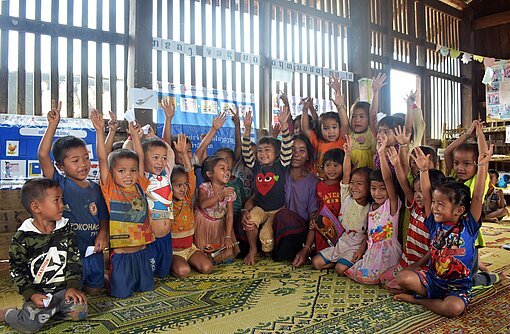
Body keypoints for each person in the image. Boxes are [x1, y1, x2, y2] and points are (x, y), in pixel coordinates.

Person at [393, 142, 494, 317]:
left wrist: (483, 166)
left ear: (459, 210)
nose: (434, 208)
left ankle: (419, 300)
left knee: (453, 309)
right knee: (402, 278)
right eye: (434, 203)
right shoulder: (434, 223)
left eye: (440, 204)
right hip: (433, 280)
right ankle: (432, 296)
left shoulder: (468, 225)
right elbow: (425, 194)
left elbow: (477, 196)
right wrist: (424, 171)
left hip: (458, 287)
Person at [38, 100, 108, 295]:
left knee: (95, 291)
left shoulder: (95, 188)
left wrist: (103, 234)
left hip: (93, 252)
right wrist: (52, 125)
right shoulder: (60, 184)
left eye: (86, 158)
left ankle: (101, 277)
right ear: (61, 166)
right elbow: (43, 155)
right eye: (75, 160)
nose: (83, 164)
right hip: (69, 255)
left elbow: (103, 216)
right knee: (71, 293)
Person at [0, 178, 87, 332]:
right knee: (30, 326)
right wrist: (31, 294)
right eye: (56, 200)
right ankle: (8, 314)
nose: (62, 205)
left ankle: (48, 312)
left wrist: (72, 287)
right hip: (38, 295)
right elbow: (17, 271)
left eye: (62, 199)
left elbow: (74, 262)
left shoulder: (66, 229)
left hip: (62, 292)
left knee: (80, 312)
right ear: (36, 207)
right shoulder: (22, 238)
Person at [92, 111, 155, 298]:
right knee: (121, 294)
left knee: (146, 290)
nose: (128, 175)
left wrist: (135, 136)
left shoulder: (140, 185)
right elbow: (103, 159)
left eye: (133, 171)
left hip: (142, 253)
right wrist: (99, 131)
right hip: (121, 255)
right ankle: (105, 277)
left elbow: (141, 158)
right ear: (112, 173)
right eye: (121, 171)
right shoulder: (110, 188)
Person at [379, 146, 446, 288]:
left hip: (423, 266)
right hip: (407, 261)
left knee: (393, 286)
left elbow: (427, 195)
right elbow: (404, 184)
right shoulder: (415, 205)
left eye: (422, 191)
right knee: (382, 279)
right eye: (416, 191)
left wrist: (424, 171)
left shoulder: (432, 215)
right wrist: (396, 163)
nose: (418, 195)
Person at [344, 133, 402, 284]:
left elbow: (388, 178)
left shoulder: (392, 205)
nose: (377, 193)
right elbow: (369, 235)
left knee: (370, 279)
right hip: (372, 251)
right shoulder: (372, 207)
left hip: (387, 253)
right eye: (373, 188)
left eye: (382, 189)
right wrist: (362, 250)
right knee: (349, 272)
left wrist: (382, 154)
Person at [312, 135, 371, 275]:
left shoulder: (370, 207)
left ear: (369, 187)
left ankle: (341, 264)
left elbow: (368, 234)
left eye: (360, 184)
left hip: (355, 246)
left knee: (340, 269)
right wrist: (348, 154)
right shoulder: (347, 197)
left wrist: (361, 250)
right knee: (316, 262)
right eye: (352, 182)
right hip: (340, 243)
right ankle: (337, 262)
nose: (354, 187)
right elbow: (346, 175)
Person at [241, 108, 293, 265]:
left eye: (267, 150)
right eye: (260, 151)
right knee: (250, 221)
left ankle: (268, 251)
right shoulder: (256, 166)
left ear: (276, 154)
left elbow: (287, 147)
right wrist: (247, 129)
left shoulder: (281, 165)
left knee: (265, 236)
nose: (262, 154)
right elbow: (246, 152)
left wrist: (284, 125)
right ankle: (252, 249)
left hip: (277, 211)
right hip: (260, 208)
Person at [170, 134, 213, 278]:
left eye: (185, 185)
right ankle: (173, 263)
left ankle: (186, 260)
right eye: (178, 186)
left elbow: (190, 172)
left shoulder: (188, 197)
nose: (182, 189)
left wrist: (183, 153)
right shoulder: (166, 201)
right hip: (173, 251)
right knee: (184, 271)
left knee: (207, 267)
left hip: (190, 248)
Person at [272, 134, 319, 264]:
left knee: (284, 216)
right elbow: (259, 196)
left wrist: (306, 249)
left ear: (308, 156)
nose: (296, 154)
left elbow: (313, 219)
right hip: (273, 226)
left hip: (299, 231)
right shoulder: (279, 174)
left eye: (301, 150)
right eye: (292, 149)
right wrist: (244, 212)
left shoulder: (313, 182)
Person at [194, 155, 240, 263]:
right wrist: (220, 195)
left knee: (227, 253)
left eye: (228, 169)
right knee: (204, 251)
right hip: (203, 223)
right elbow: (203, 204)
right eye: (222, 168)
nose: (227, 172)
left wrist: (228, 236)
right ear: (210, 174)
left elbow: (229, 215)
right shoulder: (204, 187)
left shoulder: (229, 192)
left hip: (219, 225)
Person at [141, 136, 175, 278]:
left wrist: (154, 136)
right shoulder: (141, 176)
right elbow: (133, 149)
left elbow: (171, 153)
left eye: (163, 158)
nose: (160, 162)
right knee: (148, 275)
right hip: (150, 238)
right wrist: (137, 136)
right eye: (155, 157)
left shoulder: (166, 173)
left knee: (163, 274)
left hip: (166, 238)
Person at [333, 74, 383, 169]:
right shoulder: (348, 133)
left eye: (362, 116)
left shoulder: (372, 131)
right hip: (352, 176)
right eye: (353, 116)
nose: (357, 120)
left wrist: (375, 92)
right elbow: (344, 122)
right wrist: (339, 102)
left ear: (368, 120)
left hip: (369, 176)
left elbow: (373, 115)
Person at [300, 92, 346, 180]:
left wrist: (340, 106)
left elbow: (345, 124)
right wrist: (305, 110)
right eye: (326, 128)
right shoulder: (318, 141)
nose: (330, 131)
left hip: (338, 181)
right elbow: (305, 129)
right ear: (320, 130)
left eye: (334, 127)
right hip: (319, 181)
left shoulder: (342, 139)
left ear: (339, 128)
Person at [314, 148, 344, 252]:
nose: (331, 169)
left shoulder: (344, 185)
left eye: (336, 165)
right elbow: (317, 207)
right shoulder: (319, 186)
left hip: (342, 227)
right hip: (325, 227)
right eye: (327, 165)